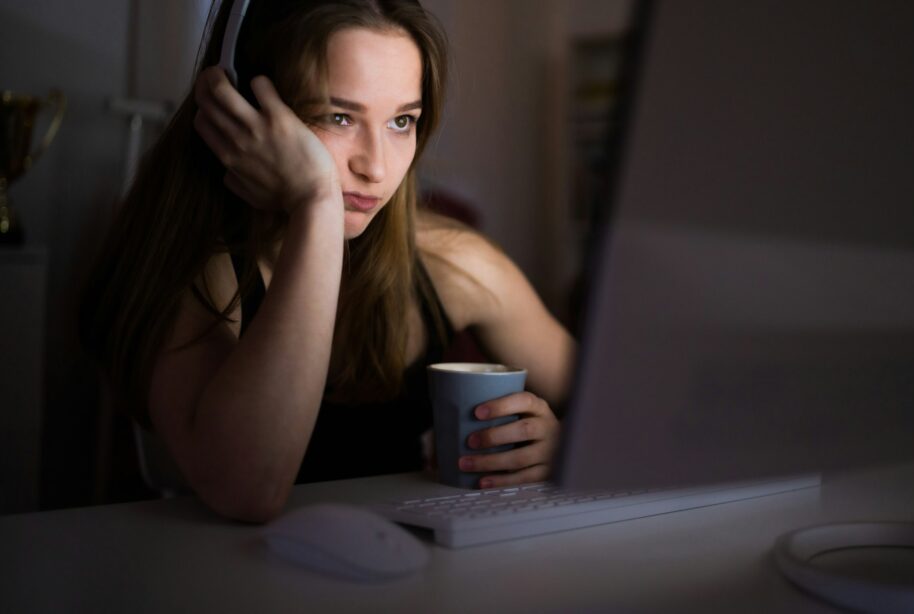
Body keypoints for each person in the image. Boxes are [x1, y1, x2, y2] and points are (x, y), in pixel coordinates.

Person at [80, 0, 575, 523]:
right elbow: (249, 488)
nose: (376, 166)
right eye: (339, 117)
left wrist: (567, 444)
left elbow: (626, 412)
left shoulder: (454, 262)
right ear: (241, 111)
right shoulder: (195, 266)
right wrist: (316, 203)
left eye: (402, 121)